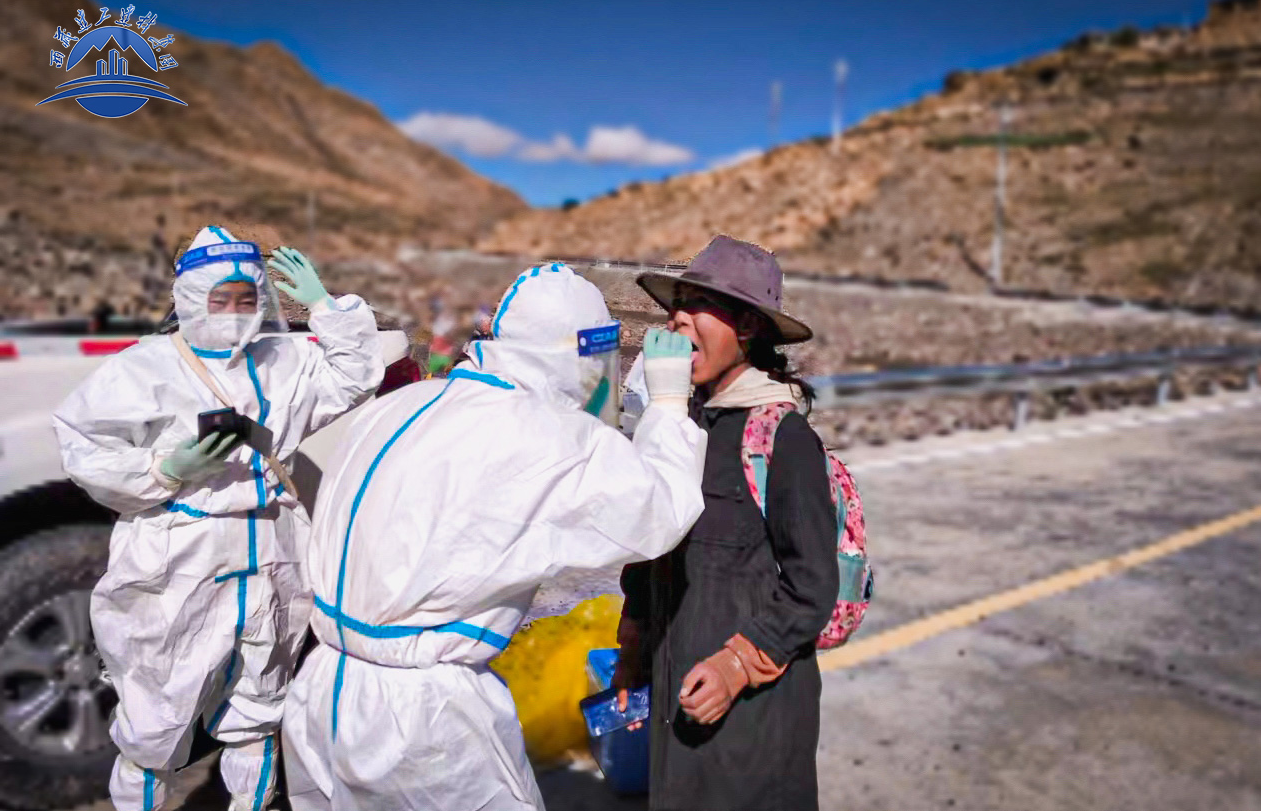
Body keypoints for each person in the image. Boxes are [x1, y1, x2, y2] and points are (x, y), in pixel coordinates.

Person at [281, 262, 707, 811]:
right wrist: (669, 405)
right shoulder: (544, 436)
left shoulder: (401, 407)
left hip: (322, 691)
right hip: (421, 724)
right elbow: (657, 511)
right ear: (573, 350)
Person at [53, 226, 384, 811]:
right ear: (188, 298)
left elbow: (354, 377)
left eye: (247, 299)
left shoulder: (284, 362)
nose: (234, 313)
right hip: (181, 552)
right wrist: (163, 469)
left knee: (260, 706)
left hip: (272, 550)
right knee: (156, 715)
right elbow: (84, 445)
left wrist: (328, 308)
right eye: (220, 299)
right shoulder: (145, 368)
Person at [614, 235, 840, 811]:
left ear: (745, 327)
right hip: (677, 693)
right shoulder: (681, 425)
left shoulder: (782, 440)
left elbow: (812, 588)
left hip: (752, 717)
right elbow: (656, 542)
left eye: (698, 304)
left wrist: (738, 663)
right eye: (676, 304)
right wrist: (635, 632)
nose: (677, 318)